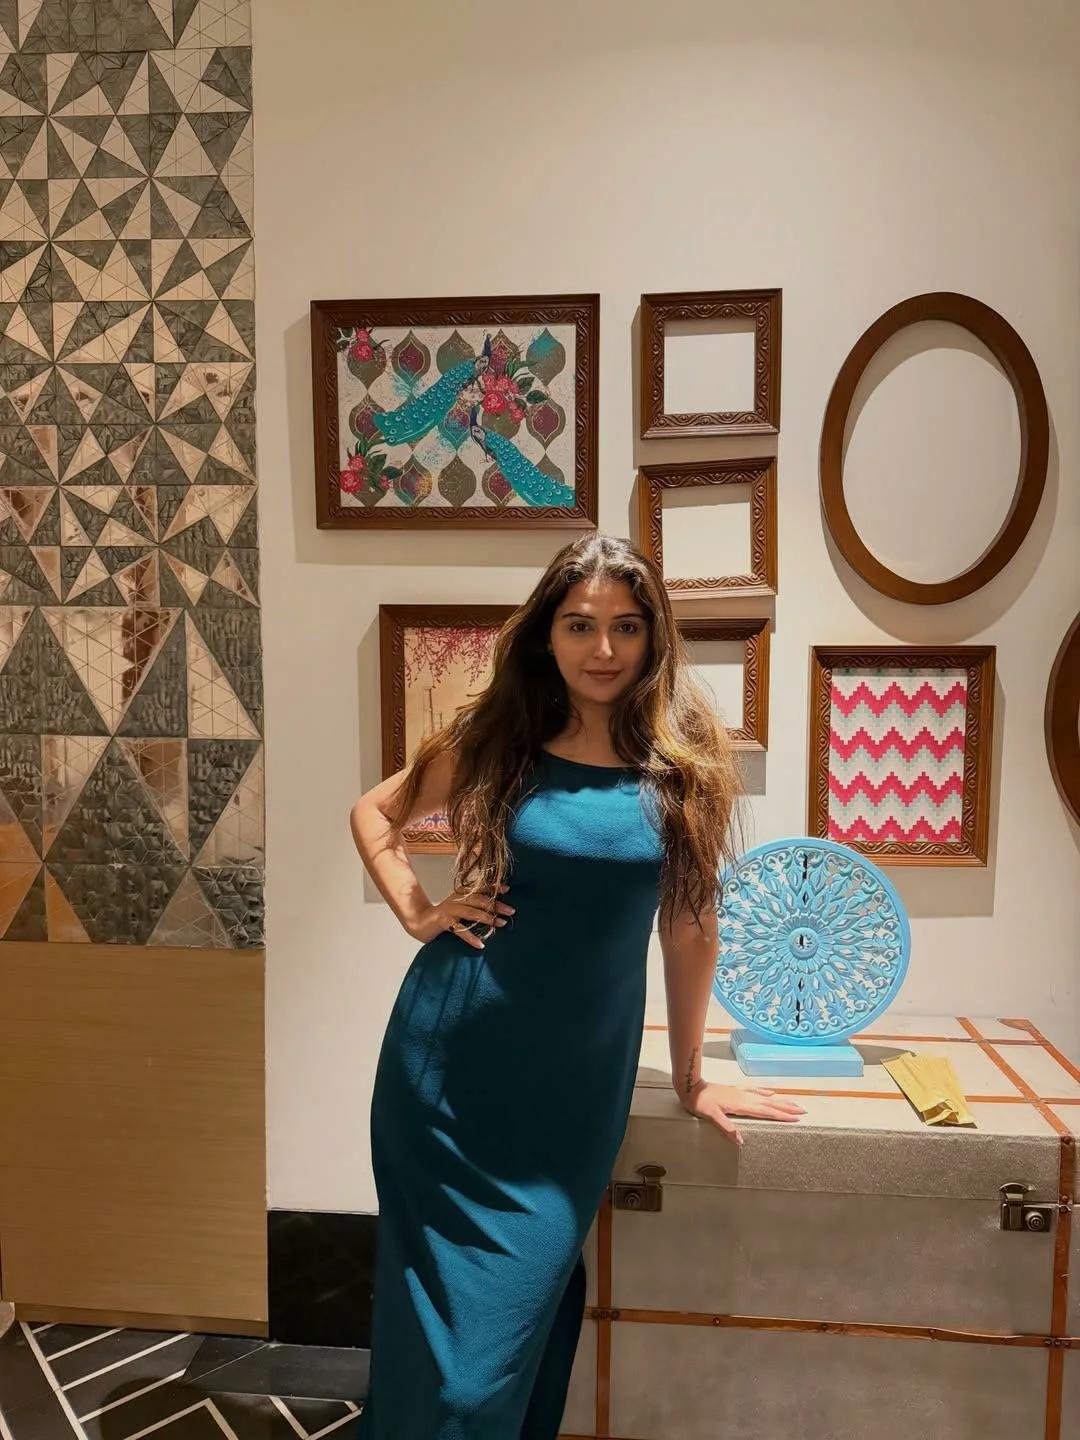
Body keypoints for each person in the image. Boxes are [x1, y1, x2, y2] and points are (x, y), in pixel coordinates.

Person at [349, 533, 805, 1438]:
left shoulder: (685, 764)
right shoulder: (501, 739)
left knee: (518, 1327)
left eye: (626, 627)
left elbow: (689, 927)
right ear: (547, 634)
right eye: (580, 625)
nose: (604, 649)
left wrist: (692, 1075)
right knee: (444, 1347)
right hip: (446, 1072)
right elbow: (376, 812)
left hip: (569, 1098)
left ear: (654, 636)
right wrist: (417, 912)